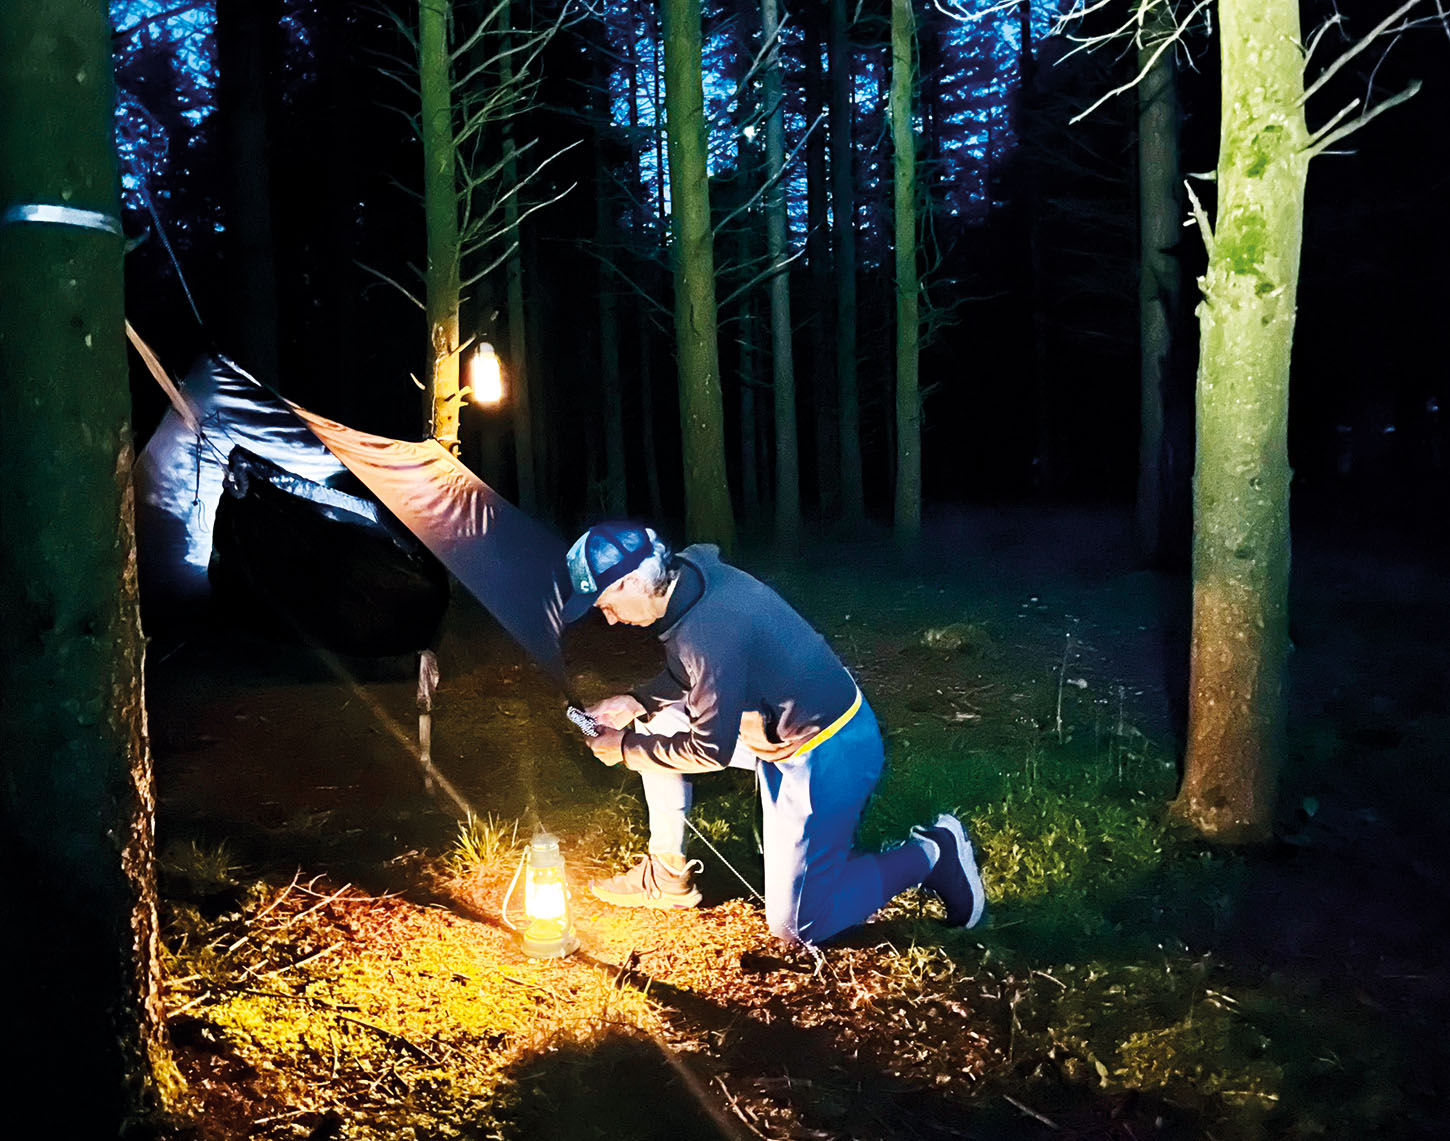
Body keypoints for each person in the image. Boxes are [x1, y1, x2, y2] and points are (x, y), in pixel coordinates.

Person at [560, 520, 987, 945]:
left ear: (632, 581)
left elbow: (709, 749)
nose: (610, 620)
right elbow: (690, 674)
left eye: (606, 605)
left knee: (798, 927)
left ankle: (931, 854)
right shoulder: (690, 579)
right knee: (652, 721)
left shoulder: (709, 630)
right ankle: (668, 876)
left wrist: (625, 748)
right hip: (781, 729)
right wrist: (636, 701)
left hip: (828, 750)